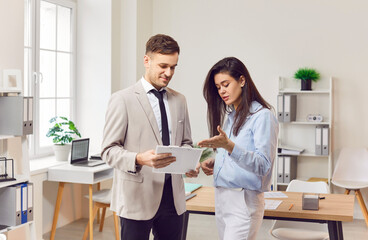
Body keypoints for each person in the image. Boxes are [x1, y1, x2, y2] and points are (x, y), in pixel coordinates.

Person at [101, 34, 199, 240]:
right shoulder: (122, 99)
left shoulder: (180, 100)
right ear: (147, 61)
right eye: (163, 66)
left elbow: (186, 142)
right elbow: (108, 151)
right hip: (137, 198)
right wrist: (138, 158)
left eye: (173, 67)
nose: (169, 72)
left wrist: (190, 163)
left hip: (174, 199)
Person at [198, 57, 279, 240]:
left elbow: (264, 165)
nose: (221, 91)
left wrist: (229, 146)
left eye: (225, 84)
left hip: (243, 201)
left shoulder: (262, 117)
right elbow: (234, 153)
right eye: (218, 87)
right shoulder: (232, 116)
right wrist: (218, 161)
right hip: (222, 198)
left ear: (242, 80)